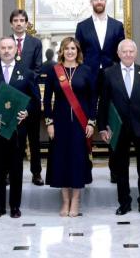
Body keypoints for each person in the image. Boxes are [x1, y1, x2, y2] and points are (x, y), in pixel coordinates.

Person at [0, 37, 40, 219]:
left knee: (16, 168)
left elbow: (35, 101)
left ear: (16, 51)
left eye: (9, 48)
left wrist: (27, 112)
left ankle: (14, 206)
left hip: (17, 129)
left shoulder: (26, 73)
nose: (6, 51)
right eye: (3, 48)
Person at [98, 39, 140, 217]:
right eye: (125, 51)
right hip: (118, 129)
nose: (128, 54)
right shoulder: (108, 73)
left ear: (136, 53)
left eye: (131, 51)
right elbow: (104, 103)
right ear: (119, 53)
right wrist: (102, 127)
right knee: (120, 167)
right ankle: (124, 203)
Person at [75, 0, 125, 183]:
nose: (99, 1)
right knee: (85, 120)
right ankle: (85, 169)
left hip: (112, 78)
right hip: (88, 78)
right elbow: (78, 53)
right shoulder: (82, 26)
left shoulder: (117, 25)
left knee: (112, 121)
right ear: (91, 1)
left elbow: (121, 52)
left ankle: (115, 170)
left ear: (106, 1)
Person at [43, 37, 96, 217]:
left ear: (78, 51)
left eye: (73, 48)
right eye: (67, 48)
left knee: (78, 161)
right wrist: (49, 123)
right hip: (60, 123)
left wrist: (91, 122)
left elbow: (93, 99)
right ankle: (65, 201)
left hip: (81, 124)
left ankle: (76, 200)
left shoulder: (86, 71)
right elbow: (46, 100)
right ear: (62, 51)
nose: (70, 51)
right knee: (62, 161)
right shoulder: (54, 71)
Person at [8, 9, 44, 186]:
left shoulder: (35, 43)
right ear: (11, 23)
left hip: (31, 97)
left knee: (33, 137)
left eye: (22, 20)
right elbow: (3, 66)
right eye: (16, 20)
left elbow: (38, 68)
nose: (19, 23)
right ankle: (11, 172)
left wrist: (23, 81)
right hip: (12, 96)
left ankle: (36, 172)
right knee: (13, 137)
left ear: (27, 23)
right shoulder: (6, 43)